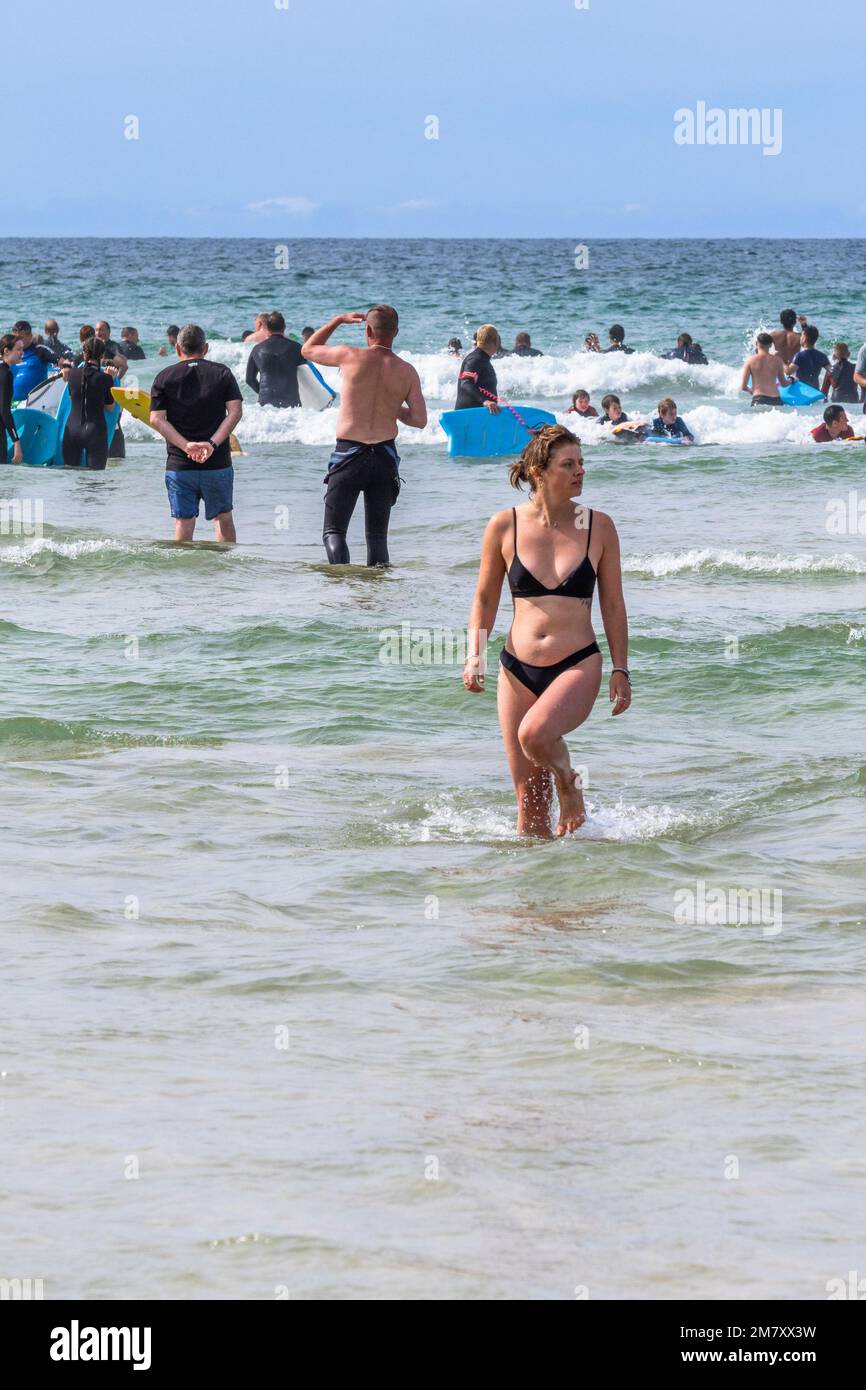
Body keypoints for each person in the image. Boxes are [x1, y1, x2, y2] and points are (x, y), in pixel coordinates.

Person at [462, 423, 630, 838]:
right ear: (539, 472)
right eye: (568, 464)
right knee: (528, 801)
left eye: (582, 463)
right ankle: (539, 896)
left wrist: (621, 669)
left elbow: (612, 603)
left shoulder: (599, 527)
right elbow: (484, 598)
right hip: (516, 668)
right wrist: (475, 654)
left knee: (536, 735)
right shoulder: (505, 526)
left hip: (576, 664)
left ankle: (569, 783)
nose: (580, 472)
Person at [302, 305, 427, 566]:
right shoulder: (407, 371)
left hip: (349, 457)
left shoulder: (349, 356)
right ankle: (378, 597)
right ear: (396, 332)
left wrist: (337, 320)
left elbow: (308, 349)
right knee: (378, 539)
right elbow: (419, 420)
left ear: (368, 330)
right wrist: (394, 408)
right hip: (384, 459)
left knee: (333, 532)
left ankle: (343, 585)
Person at [150, 323, 243, 542]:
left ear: (177, 349)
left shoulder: (164, 377)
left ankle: (184, 576)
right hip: (217, 462)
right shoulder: (222, 373)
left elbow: (156, 419)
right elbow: (235, 412)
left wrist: (185, 446)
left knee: (184, 520)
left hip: (180, 464)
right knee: (223, 518)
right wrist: (212, 444)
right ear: (206, 348)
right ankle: (226, 571)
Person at [60, 336, 118, 470]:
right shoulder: (105, 378)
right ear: (102, 355)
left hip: (72, 430)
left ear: (84, 353)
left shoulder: (72, 374)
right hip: (95, 431)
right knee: (95, 481)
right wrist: (111, 378)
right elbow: (110, 407)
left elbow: (70, 398)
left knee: (71, 476)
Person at [245, 311, 305, 408]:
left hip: (265, 404)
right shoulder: (296, 348)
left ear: (267, 328)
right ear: (284, 327)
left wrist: (262, 392)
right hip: (291, 404)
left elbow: (249, 379)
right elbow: (308, 372)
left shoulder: (257, 349)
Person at [455, 325, 501, 412]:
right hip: (469, 416)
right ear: (496, 341)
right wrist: (485, 401)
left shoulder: (482, 359)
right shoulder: (475, 359)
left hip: (478, 415)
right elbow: (466, 383)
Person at [8, 320, 58, 399]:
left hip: (32, 403)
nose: (17, 341)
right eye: (15, 338)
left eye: (20, 337)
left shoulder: (40, 350)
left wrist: (66, 368)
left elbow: (60, 360)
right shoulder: (8, 353)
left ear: (30, 336)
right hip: (9, 403)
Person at [740, 333, 788, 406]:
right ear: (771, 345)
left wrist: (751, 391)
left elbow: (743, 387)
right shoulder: (778, 360)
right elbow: (783, 384)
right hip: (776, 399)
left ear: (756, 343)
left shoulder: (750, 361)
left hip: (759, 399)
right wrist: (792, 380)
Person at [0, 333, 24, 464]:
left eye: (23, 349)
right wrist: (16, 441)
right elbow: (4, 411)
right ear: (6, 351)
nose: (22, 353)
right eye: (18, 349)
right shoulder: (5, 374)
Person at [786, 324, 830, 391]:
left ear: (805, 338)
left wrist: (780, 361)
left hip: (802, 392)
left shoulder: (800, 355)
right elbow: (833, 372)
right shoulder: (822, 356)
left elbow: (788, 371)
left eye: (801, 335)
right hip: (815, 391)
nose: (800, 337)